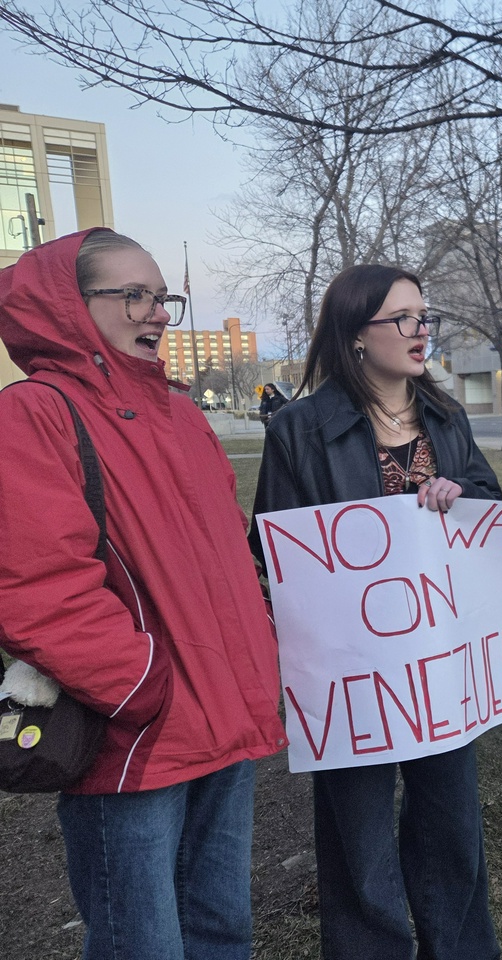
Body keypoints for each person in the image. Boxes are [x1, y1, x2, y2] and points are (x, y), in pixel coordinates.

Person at [0, 228, 287, 959]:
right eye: (132, 295)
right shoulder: (32, 414)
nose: (157, 313)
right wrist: (141, 688)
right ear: (70, 305)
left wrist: (255, 651)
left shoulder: (185, 417)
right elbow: (38, 587)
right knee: (143, 943)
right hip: (139, 736)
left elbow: (225, 557)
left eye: (162, 297)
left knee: (222, 931)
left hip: (225, 718)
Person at [250, 264, 502, 960]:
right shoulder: (300, 430)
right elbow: (272, 550)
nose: (422, 331)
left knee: (451, 828)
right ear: (358, 336)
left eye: (426, 316)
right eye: (404, 318)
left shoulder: (446, 416)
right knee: (357, 839)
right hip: (354, 676)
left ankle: (460, 949)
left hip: (440, 665)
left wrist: (468, 498)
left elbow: (489, 505)